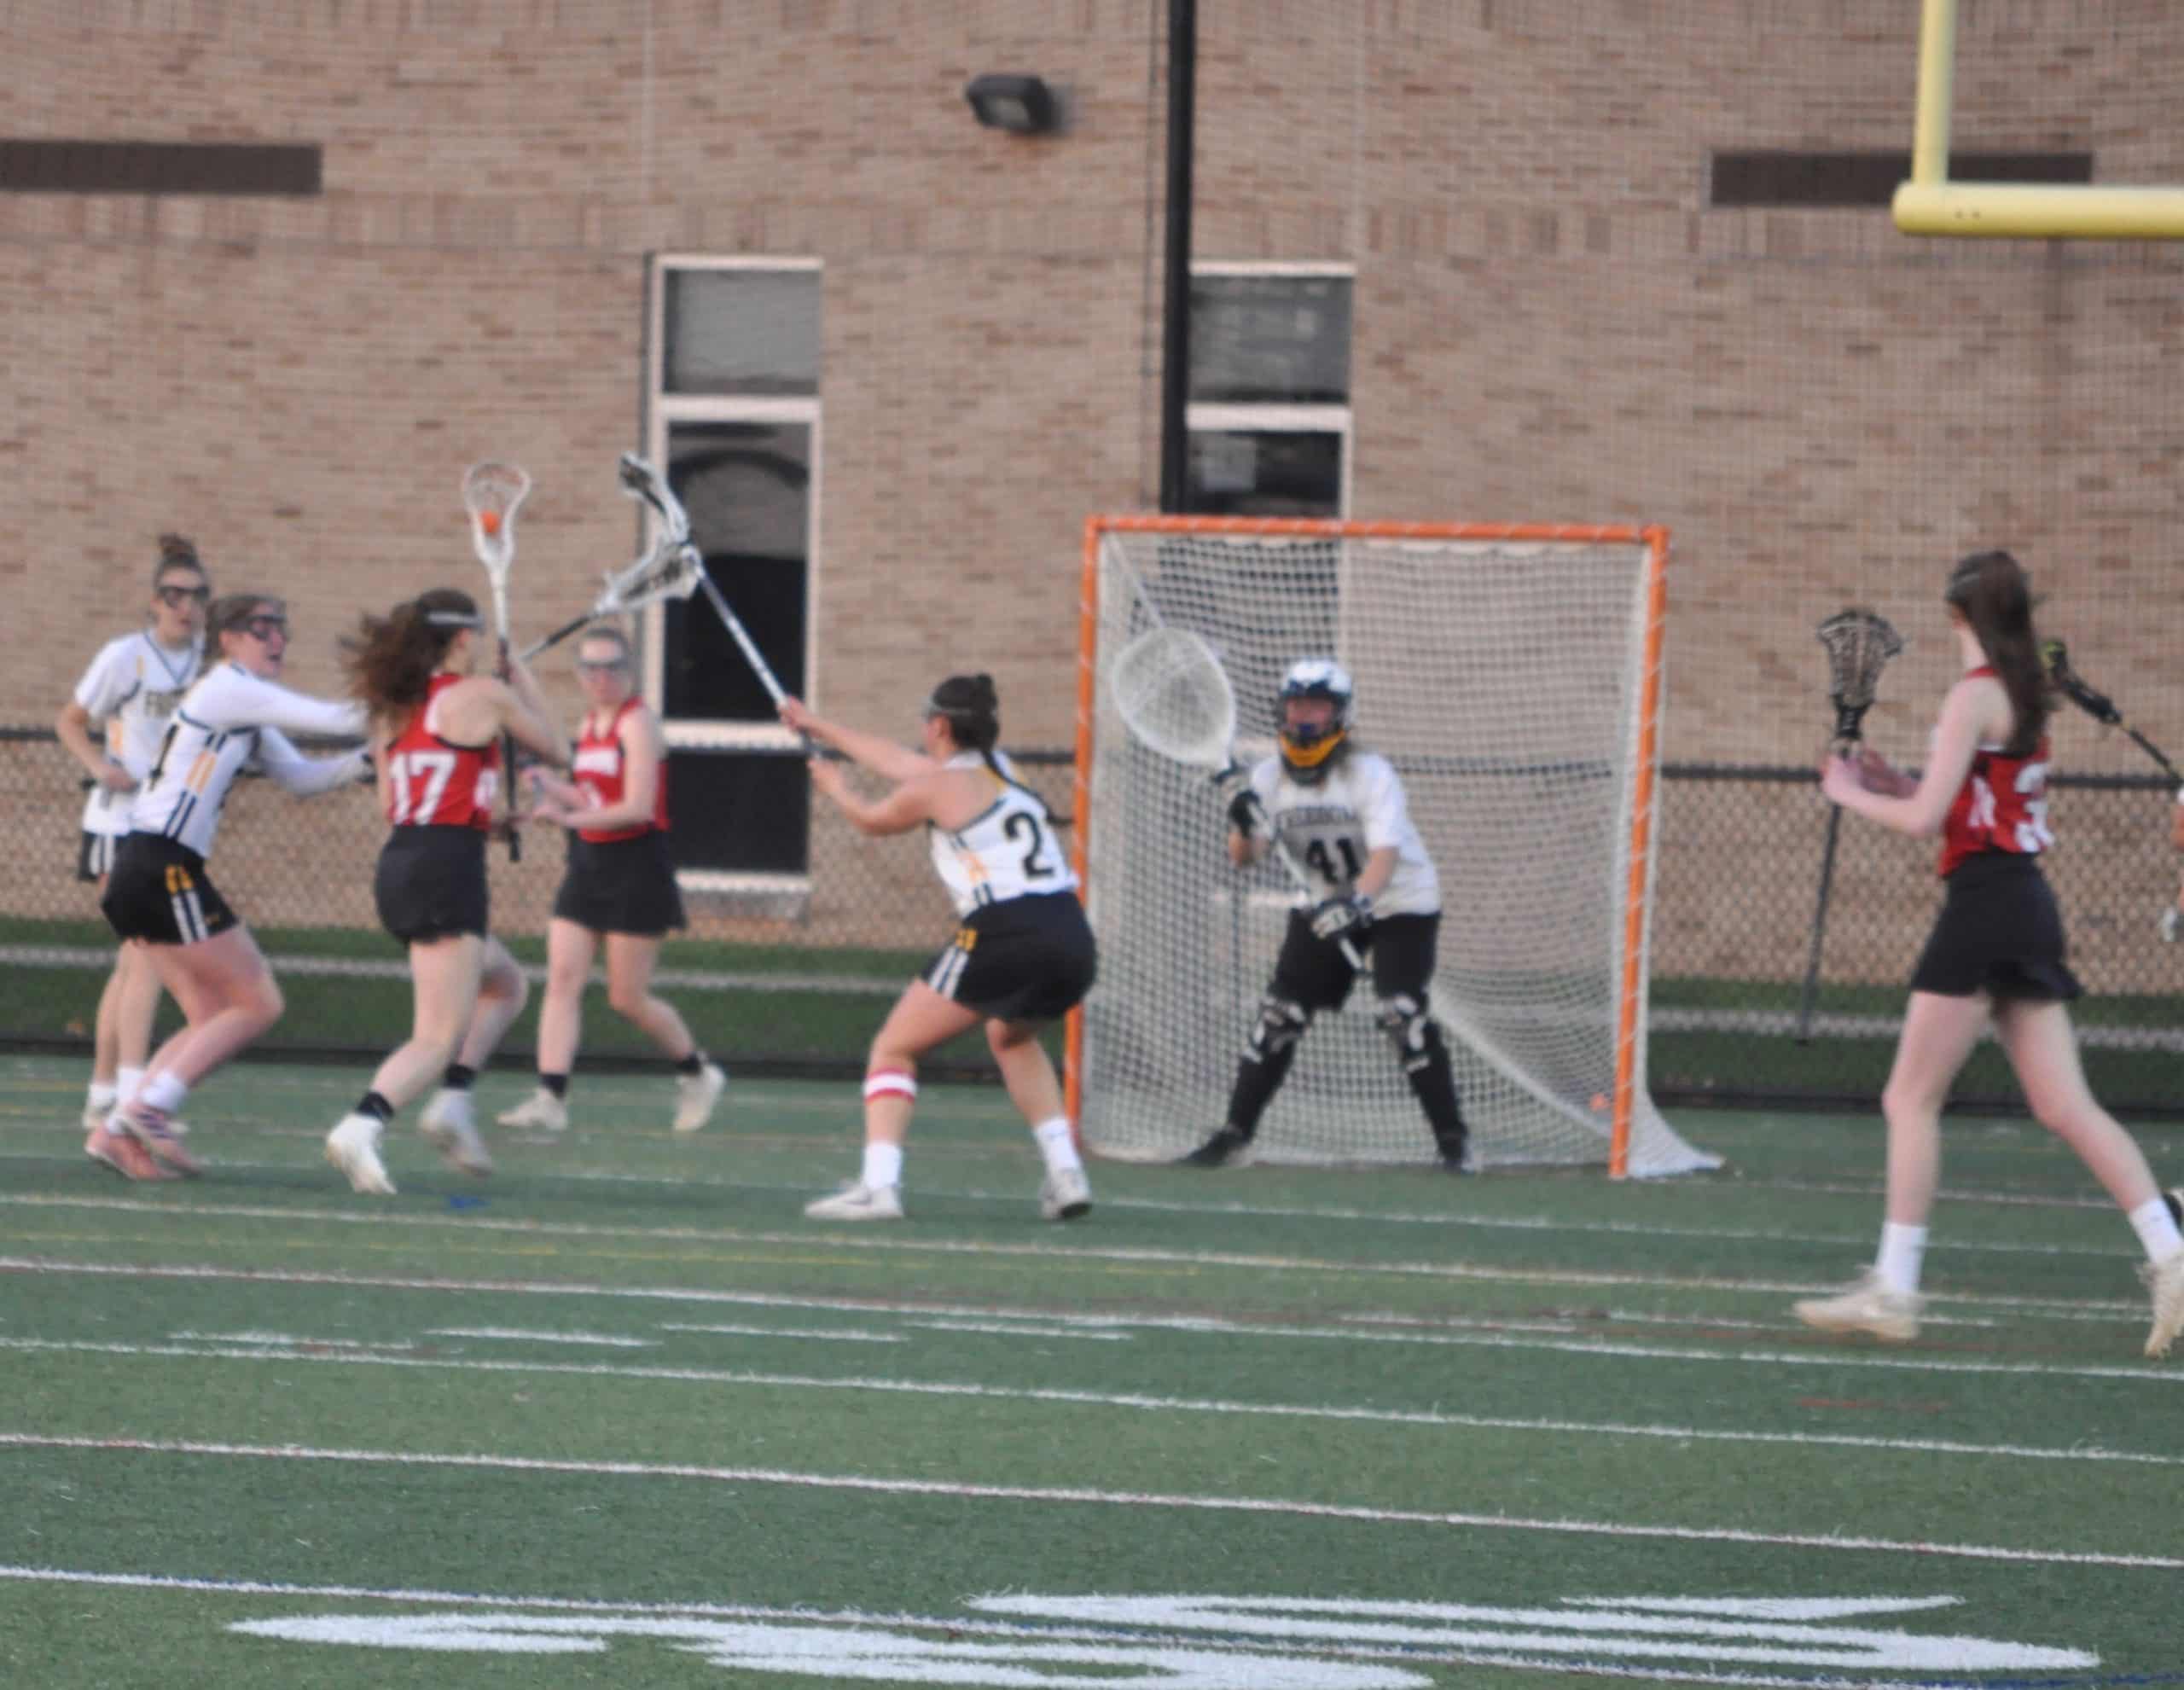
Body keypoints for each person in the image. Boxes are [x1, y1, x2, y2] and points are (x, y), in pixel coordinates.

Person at [1795, 549, 2184, 1357]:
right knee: (2065, 1106)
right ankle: (2173, 1254)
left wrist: (1847, 792)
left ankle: (1895, 1287)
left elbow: (1924, 822)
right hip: (2025, 902)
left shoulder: (1974, 695)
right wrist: (1886, 778)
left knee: (1909, 1098)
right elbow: (1957, 804)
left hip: (1984, 906)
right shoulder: (2023, 692)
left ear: (1958, 616)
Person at [779, 675, 1096, 1222]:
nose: (922, 730)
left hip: (1004, 929)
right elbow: (893, 760)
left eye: (927, 720)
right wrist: (816, 725)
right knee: (1011, 1037)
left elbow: (871, 820)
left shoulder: (937, 787)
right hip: (1071, 932)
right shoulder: (1002, 770)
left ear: (941, 726)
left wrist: (835, 788)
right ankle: (1066, 1173)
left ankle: (879, 1187)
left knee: (893, 1048)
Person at [91, 592, 372, 1178]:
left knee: (211, 1014)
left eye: (281, 627)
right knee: (258, 1002)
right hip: (161, 864)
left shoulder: (243, 710)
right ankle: (149, 1108)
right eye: (262, 628)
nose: (277, 639)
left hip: (147, 866)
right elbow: (338, 719)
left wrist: (371, 758)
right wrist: (417, 706)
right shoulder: (228, 687)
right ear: (228, 639)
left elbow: (303, 778)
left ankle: (115, 1130)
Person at [1176, 659, 1470, 1171]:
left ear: (1341, 714)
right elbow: (1245, 857)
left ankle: (1454, 1143)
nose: (1305, 716)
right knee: (1279, 1016)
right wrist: (1242, 821)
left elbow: (1385, 856)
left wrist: (1356, 904)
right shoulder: (1268, 777)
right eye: (1297, 705)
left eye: (1317, 706)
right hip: (1321, 901)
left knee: (1402, 1013)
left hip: (1399, 902)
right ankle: (1234, 1135)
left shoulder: (1370, 773)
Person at [324, 588, 567, 1195]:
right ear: (462, 638)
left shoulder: (395, 709)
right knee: (436, 1036)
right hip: (446, 871)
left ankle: (454, 1103)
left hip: (404, 860)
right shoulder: (483, 695)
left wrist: (488, 822)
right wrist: (522, 680)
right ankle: (362, 1125)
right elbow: (560, 750)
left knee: (505, 984)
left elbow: (397, 805)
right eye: (476, 635)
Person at [496, 624, 726, 1135]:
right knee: (562, 979)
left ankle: (698, 1073)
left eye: (612, 667)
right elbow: (592, 796)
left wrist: (567, 818)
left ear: (630, 671)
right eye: (591, 668)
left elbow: (637, 807)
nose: (601, 677)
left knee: (627, 998)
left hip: (636, 867)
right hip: (588, 865)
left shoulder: (637, 722)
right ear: (580, 674)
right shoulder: (590, 723)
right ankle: (550, 1098)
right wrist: (552, 788)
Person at [57, 535, 210, 1165]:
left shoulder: (206, 661)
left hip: (167, 825)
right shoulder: (126, 656)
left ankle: (102, 1093)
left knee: (132, 963)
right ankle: (129, 1099)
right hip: (119, 823)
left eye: (197, 595)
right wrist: (101, 767)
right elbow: (70, 720)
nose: (185, 606)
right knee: (147, 957)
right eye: (174, 595)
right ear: (154, 600)